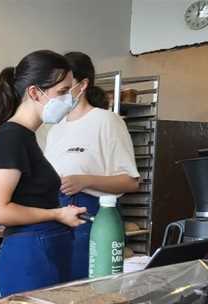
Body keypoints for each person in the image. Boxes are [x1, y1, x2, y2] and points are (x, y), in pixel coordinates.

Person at [0, 50, 88, 298]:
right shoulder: (11, 138)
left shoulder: (27, 137)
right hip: (28, 258)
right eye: (62, 92)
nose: (69, 100)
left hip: (45, 250)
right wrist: (58, 213)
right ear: (34, 92)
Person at [45, 52, 140, 280]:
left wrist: (85, 180)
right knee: (59, 289)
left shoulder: (106, 121)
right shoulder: (55, 128)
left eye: (65, 84)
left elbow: (131, 180)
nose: (59, 91)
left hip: (94, 217)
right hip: (57, 215)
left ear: (83, 84)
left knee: (89, 290)